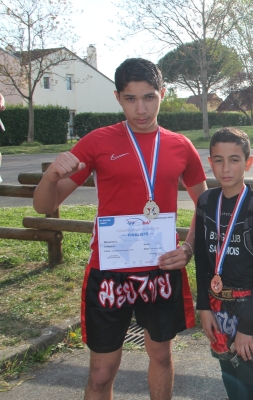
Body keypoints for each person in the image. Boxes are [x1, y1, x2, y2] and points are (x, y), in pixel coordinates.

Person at [32, 58, 208, 400]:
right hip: (109, 270)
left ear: (163, 94)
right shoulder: (97, 142)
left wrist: (187, 248)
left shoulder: (180, 145)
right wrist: (50, 176)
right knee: (100, 372)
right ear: (118, 97)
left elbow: (206, 206)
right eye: (130, 99)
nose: (140, 109)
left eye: (149, 97)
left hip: (160, 268)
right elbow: (43, 206)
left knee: (161, 355)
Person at [195, 127, 253, 400]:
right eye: (218, 160)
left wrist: (245, 328)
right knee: (230, 381)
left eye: (234, 159)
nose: (225, 168)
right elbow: (203, 261)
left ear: (248, 163)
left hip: (248, 309)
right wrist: (204, 307)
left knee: (248, 389)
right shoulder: (206, 201)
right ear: (210, 162)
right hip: (217, 307)